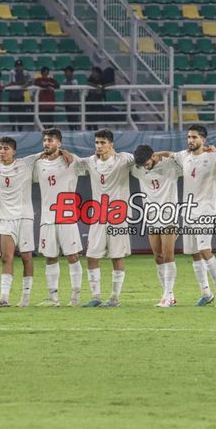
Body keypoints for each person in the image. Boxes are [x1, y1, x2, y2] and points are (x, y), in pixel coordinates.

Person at [157, 125, 216, 306]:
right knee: (194, 253)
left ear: (203, 140)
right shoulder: (184, 156)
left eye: (194, 137)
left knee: (204, 250)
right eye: (189, 137)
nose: (190, 140)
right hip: (188, 211)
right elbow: (170, 154)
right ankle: (206, 293)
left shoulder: (213, 157)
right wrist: (156, 155)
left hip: (205, 210)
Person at [71, 129, 133, 307]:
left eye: (102, 143)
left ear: (111, 144)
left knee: (117, 256)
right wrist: (65, 153)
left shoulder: (124, 159)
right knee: (91, 255)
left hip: (117, 215)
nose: (98, 146)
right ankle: (96, 297)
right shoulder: (90, 162)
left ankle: (114, 297)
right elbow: (72, 163)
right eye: (97, 143)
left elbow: (144, 159)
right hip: (98, 216)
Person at [0, 137, 41, 308]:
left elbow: (49, 152)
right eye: (0, 148)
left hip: (24, 217)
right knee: (6, 257)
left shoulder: (26, 163)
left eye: (6, 148)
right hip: (5, 217)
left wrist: (65, 152)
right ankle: (4, 297)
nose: (2, 151)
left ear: (14, 151)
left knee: (26, 256)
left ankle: (26, 297)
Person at [34, 128, 84, 306]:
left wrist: (65, 153)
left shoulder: (72, 161)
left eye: (51, 140)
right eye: (45, 140)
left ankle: (75, 296)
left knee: (72, 256)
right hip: (47, 218)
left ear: (59, 143)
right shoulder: (38, 163)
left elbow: (91, 165)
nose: (47, 143)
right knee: (50, 257)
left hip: (67, 217)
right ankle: (53, 298)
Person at [132, 144, 182, 307]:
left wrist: (166, 152)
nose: (144, 167)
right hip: (151, 217)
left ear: (153, 157)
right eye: (142, 165)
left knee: (168, 256)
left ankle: (167, 296)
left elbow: (183, 158)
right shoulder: (138, 168)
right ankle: (169, 295)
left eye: (146, 163)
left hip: (169, 215)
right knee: (158, 256)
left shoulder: (170, 166)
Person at [7, 60, 32, 127]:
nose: (19, 67)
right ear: (15, 66)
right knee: (12, 115)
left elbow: (31, 81)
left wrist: (26, 83)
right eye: (17, 66)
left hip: (20, 97)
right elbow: (13, 83)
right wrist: (24, 82)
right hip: (12, 97)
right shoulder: (12, 72)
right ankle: (13, 128)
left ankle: (20, 128)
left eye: (20, 66)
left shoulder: (26, 73)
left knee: (21, 115)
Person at [62, 65, 79, 130]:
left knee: (74, 120)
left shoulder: (74, 81)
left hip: (74, 104)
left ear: (71, 72)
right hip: (68, 104)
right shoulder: (64, 81)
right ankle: (71, 131)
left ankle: (76, 132)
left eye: (67, 71)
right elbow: (65, 93)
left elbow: (74, 93)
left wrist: (71, 102)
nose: (65, 73)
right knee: (69, 120)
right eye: (65, 72)